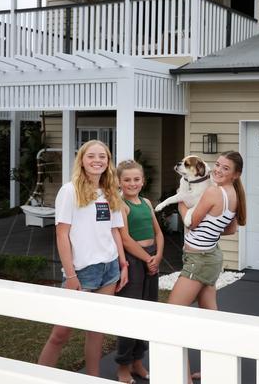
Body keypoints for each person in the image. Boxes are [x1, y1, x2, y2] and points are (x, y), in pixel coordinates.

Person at [38, 140, 128, 376]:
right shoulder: (69, 190)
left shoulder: (111, 191)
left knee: (96, 330)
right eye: (91, 156)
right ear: (82, 160)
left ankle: (93, 378)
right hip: (81, 271)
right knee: (61, 333)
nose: (97, 160)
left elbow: (114, 230)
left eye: (103, 156)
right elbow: (61, 234)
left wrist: (123, 264)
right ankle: (36, 378)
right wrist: (70, 275)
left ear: (108, 161)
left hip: (109, 269)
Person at [167, 150, 247, 381]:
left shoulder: (213, 191)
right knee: (210, 319)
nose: (218, 170)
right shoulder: (233, 193)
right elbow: (230, 229)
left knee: (171, 315)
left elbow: (189, 222)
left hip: (199, 260)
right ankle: (218, 370)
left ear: (235, 174)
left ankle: (184, 376)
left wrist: (181, 199)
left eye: (225, 168)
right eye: (218, 165)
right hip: (211, 256)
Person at [114, 159, 164, 384]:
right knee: (130, 314)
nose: (132, 183)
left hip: (152, 258)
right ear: (119, 182)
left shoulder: (146, 202)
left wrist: (158, 256)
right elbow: (124, 238)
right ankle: (123, 366)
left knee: (147, 312)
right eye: (127, 180)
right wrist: (146, 259)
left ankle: (137, 362)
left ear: (143, 181)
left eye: (136, 179)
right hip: (135, 261)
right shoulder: (121, 204)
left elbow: (159, 233)